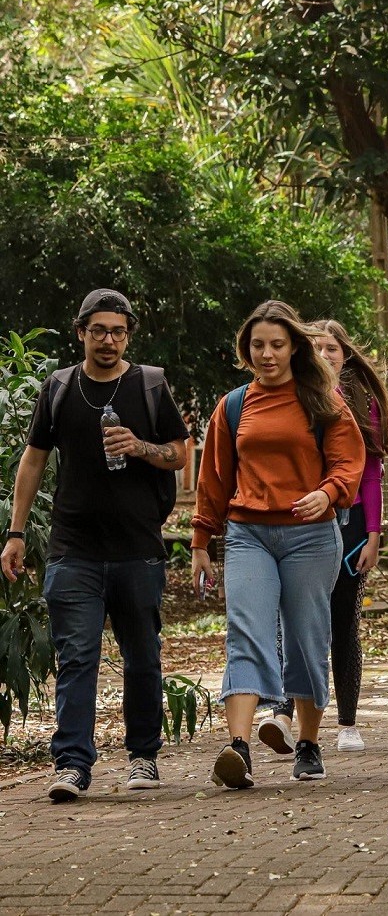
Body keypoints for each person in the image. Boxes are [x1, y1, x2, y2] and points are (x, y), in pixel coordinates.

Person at [1, 289, 189, 802]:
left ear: (128, 335)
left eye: (119, 331)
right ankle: (72, 765)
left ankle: (142, 757)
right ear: (81, 331)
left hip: (138, 548)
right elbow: (33, 460)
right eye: (99, 330)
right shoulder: (60, 387)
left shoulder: (149, 384)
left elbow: (179, 454)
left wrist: (140, 446)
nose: (109, 340)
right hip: (73, 549)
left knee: (143, 657)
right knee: (77, 657)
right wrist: (16, 534)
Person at [191, 300, 364, 789]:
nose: (266, 354)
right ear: (247, 350)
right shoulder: (233, 406)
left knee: (308, 640)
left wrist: (326, 492)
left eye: (276, 345)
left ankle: (307, 743)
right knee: (245, 630)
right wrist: (201, 538)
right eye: (258, 345)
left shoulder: (322, 401)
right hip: (249, 533)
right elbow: (214, 477)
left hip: (311, 536)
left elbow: (348, 462)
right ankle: (239, 748)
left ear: (293, 348)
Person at [259, 320, 388, 755]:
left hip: (350, 527)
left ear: (345, 355)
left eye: (332, 347)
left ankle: (347, 722)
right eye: (316, 347)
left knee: (342, 621)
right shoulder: (285, 396)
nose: (326, 353)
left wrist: (374, 534)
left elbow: (370, 473)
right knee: (290, 619)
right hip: (296, 525)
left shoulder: (361, 403)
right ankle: (282, 712)